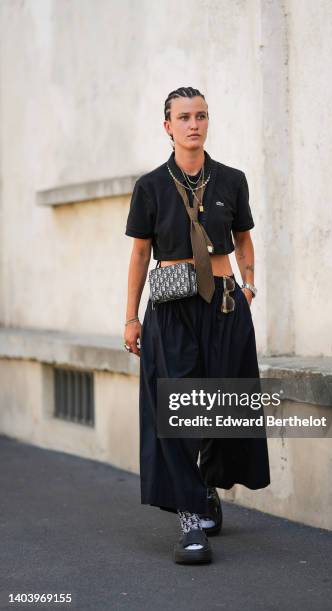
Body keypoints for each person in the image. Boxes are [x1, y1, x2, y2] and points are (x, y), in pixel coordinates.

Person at [123, 86, 270, 564]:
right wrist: (130, 316)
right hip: (170, 310)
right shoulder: (150, 186)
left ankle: (206, 486)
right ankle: (189, 517)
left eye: (201, 115)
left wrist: (248, 286)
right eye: (184, 116)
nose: (194, 123)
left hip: (225, 306)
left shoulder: (231, 180)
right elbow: (141, 253)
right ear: (167, 126)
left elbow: (244, 241)